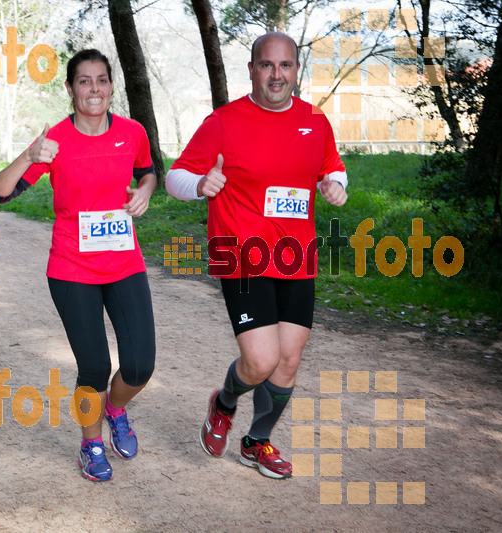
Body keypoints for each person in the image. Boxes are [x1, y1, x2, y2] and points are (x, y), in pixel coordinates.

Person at [166, 32, 349, 479]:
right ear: (251, 69)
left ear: (296, 71)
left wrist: (336, 187)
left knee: (289, 358)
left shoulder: (315, 121)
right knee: (261, 360)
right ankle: (224, 402)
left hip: (296, 253)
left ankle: (257, 442)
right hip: (240, 251)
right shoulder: (224, 122)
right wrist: (199, 186)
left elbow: (333, 167)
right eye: (267, 65)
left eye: (285, 66)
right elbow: (175, 176)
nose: (276, 75)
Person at [0, 49, 157, 482]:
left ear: (112, 86)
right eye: (84, 81)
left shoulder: (132, 131)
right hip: (71, 268)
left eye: (102, 80)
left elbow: (147, 170)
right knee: (96, 366)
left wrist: (146, 191)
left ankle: (116, 408)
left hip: (124, 263)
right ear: (70, 89)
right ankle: (91, 442)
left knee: (140, 366)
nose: (94, 89)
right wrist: (30, 155)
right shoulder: (55, 141)